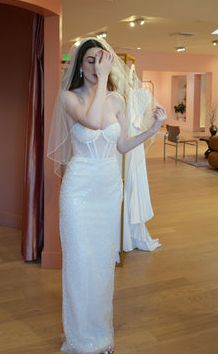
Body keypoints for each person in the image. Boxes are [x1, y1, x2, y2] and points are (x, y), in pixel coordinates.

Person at [48, 37, 166, 354]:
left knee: (101, 264)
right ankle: (79, 338)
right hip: (79, 188)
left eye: (101, 60)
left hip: (108, 188)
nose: (96, 65)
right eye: (90, 60)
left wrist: (153, 129)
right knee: (78, 264)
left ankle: (100, 334)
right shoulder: (68, 98)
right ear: (79, 65)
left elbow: (122, 145)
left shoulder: (118, 101)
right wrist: (102, 81)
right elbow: (95, 120)